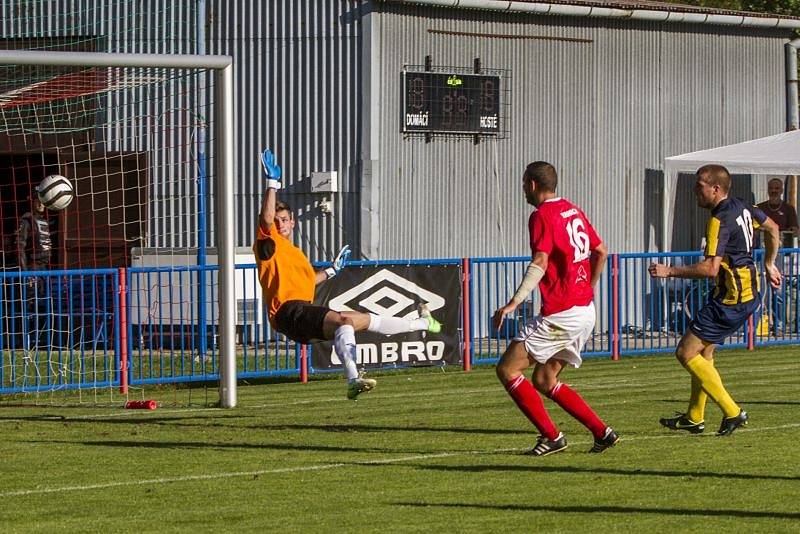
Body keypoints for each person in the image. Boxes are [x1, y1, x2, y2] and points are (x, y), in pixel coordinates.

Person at [253, 148, 442, 400]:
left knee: (365, 319)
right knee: (344, 321)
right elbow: (265, 220)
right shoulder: (270, 245)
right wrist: (272, 184)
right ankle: (354, 378)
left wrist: (331, 270)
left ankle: (421, 323)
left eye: (284, 219)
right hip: (287, 312)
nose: (280, 224)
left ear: (293, 222)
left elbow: (308, 280)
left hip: (299, 312)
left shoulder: (295, 253)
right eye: (277, 220)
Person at [492, 161, 617, 456]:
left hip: (562, 311)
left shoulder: (542, 215)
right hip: (585, 309)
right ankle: (602, 432)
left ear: (533, 184)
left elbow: (540, 262)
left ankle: (552, 436)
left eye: (524, 183)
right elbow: (601, 251)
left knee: (508, 369)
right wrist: (591, 285)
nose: (523, 189)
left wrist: (514, 303)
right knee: (544, 379)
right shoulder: (573, 210)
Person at [649, 164, 781, 436]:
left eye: (699, 187)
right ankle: (694, 417)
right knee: (704, 353)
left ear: (715, 188)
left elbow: (709, 268)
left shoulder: (719, 219)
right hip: (743, 293)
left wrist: (669, 271)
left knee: (685, 353)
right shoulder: (743, 206)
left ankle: (733, 411)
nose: (695, 192)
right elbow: (773, 227)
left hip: (731, 298)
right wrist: (769, 263)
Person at [756, 177, 798, 334]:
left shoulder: (788, 209)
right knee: (758, 290)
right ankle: (756, 325)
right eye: (771, 188)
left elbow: (795, 229)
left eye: (777, 188)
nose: (774, 191)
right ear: (767, 189)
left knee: (778, 290)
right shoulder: (759, 208)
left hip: (779, 255)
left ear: (781, 190)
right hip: (760, 253)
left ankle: (779, 325)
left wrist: (790, 231)